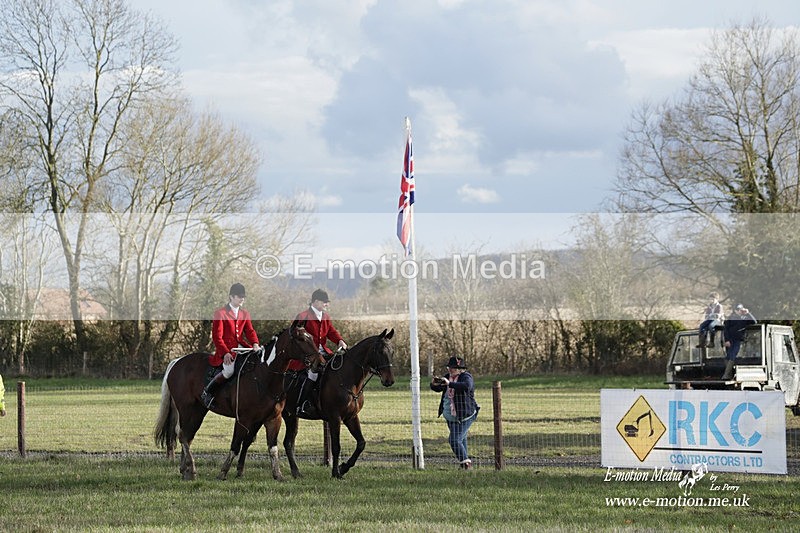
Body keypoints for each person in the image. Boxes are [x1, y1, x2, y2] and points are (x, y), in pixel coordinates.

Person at [201, 283, 261, 409]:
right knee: (229, 371)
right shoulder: (220, 313)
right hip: (227, 350)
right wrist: (225, 353)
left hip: (242, 348)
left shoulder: (245, 314)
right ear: (231, 297)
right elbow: (217, 337)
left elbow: (250, 331)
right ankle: (208, 392)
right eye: (239, 296)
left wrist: (255, 343)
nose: (242, 299)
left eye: (243, 297)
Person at [291, 288, 347, 418]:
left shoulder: (325, 317)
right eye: (324, 302)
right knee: (313, 374)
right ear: (315, 302)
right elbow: (295, 336)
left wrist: (340, 341)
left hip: (324, 352)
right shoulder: (303, 316)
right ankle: (302, 403)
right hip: (308, 355)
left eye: (327, 302)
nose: (327, 304)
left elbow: (331, 332)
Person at [430, 356, 480, 470]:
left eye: (453, 368)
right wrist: (434, 384)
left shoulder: (466, 377)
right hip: (450, 416)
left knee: (454, 440)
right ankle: (465, 466)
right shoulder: (448, 377)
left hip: (465, 416)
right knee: (461, 440)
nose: (450, 370)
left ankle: (466, 464)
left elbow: (466, 386)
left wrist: (450, 384)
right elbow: (438, 389)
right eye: (449, 367)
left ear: (460, 369)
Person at [721, 303, 757, 380]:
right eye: (739, 310)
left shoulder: (744, 318)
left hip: (737, 340)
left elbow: (754, 322)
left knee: (733, 355)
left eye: (741, 310)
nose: (740, 311)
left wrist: (748, 313)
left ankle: (726, 374)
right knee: (728, 356)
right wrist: (727, 340)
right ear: (735, 311)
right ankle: (728, 375)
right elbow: (726, 330)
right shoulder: (731, 318)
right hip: (730, 340)